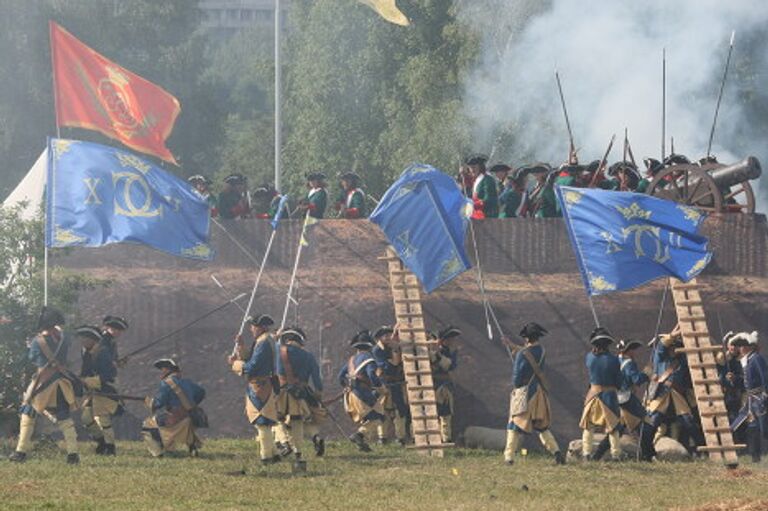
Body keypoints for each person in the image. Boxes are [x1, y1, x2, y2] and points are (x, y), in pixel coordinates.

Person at [10, 308, 80, 464]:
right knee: (65, 419)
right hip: (61, 383)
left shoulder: (37, 341)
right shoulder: (64, 338)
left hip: (43, 383)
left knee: (27, 414)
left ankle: (20, 452)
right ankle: (73, 454)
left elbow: (33, 359)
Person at [503, 322, 564, 465]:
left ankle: (509, 457)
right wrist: (512, 345)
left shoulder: (522, 354)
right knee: (542, 426)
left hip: (525, 393)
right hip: (538, 392)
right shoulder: (542, 351)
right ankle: (557, 452)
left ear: (526, 338)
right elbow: (529, 353)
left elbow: (517, 379)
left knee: (513, 425)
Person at [590, 339, 657, 461]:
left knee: (618, 429)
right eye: (632, 349)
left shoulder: (614, 361)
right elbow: (636, 380)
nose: (634, 352)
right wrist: (646, 374)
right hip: (627, 399)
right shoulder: (629, 363)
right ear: (627, 350)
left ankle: (596, 456)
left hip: (616, 399)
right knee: (646, 426)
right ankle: (647, 456)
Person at [228, 314, 281, 465]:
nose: (251, 329)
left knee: (262, 421)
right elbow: (251, 358)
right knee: (265, 421)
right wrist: (241, 346)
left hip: (259, 384)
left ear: (261, 327)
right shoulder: (263, 340)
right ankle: (273, 453)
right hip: (264, 384)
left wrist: (235, 365)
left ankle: (266, 457)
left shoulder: (264, 342)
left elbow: (251, 367)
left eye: (253, 326)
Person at [646, 326, 703, 455]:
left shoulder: (682, 361)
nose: (675, 349)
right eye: (673, 346)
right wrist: (674, 334)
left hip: (677, 395)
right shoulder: (660, 357)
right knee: (653, 423)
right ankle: (646, 451)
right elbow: (661, 345)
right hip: (662, 394)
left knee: (689, 423)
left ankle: (700, 450)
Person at [274, 327, 322, 472]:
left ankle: (283, 443)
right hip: (299, 393)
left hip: (280, 392)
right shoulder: (309, 356)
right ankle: (298, 455)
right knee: (297, 423)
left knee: (276, 419)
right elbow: (316, 379)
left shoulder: (277, 349)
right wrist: (318, 393)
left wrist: (276, 337)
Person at [141, 358, 205, 458]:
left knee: (147, 425)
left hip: (176, 418)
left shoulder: (166, 383)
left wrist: (149, 402)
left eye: (162, 369)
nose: (161, 373)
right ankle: (192, 449)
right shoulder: (187, 382)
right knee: (182, 420)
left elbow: (158, 403)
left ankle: (158, 453)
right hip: (191, 416)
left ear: (167, 370)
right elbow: (201, 392)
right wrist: (190, 404)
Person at [78, 325, 123, 456]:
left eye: (85, 338)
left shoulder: (102, 352)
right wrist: (82, 380)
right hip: (93, 390)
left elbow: (110, 374)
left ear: (93, 339)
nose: (83, 341)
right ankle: (101, 441)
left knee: (103, 419)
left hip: (106, 389)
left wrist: (90, 381)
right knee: (86, 418)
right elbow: (85, 371)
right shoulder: (86, 352)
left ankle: (110, 447)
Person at [580, 327, 623, 461]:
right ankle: (616, 455)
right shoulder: (614, 360)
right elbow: (618, 380)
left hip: (593, 395)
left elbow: (593, 359)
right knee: (613, 427)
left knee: (589, 427)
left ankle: (586, 453)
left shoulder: (589, 357)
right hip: (609, 396)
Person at [339, 330, 385, 452]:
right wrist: (380, 388)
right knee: (378, 416)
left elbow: (340, 376)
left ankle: (361, 443)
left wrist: (346, 386)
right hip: (362, 394)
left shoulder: (351, 360)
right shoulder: (369, 358)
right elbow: (372, 375)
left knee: (368, 418)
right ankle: (359, 435)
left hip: (351, 395)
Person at [730, 331, 767, 463]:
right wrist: (735, 379)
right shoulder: (748, 360)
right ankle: (755, 458)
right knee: (751, 428)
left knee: (763, 429)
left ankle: (755, 457)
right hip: (751, 400)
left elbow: (765, 377)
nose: (740, 348)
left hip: (759, 400)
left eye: (741, 346)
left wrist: (765, 396)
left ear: (748, 347)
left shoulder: (756, 358)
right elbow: (748, 382)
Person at [372, 325, 409, 446]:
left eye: (389, 335)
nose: (388, 337)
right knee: (383, 412)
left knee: (400, 410)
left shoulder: (392, 347)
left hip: (397, 384)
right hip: (385, 385)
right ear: (380, 338)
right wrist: (395, 352)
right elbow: (388, 366)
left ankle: (400, 437)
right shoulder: (377, 350)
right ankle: (382, 438)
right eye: (385, 335)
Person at [430, 326, 460, 443]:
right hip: (433, 385)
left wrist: (439, 356)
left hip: (444, 385)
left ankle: (446, 438)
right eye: (449, 338)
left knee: (446, 413)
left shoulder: (450, 352)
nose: (452, 341)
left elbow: (450, 366)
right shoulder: (432, 351)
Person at [717, 332, 745, 444]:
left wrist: (735, 378)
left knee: (735, 418)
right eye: (731, 345)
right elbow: (718, 369)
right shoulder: (723, 358)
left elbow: (744, 378)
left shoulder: (741, 361)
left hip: (734, 395)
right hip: (721, 393)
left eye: (736, 345)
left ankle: (735, 442)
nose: (733, 347)